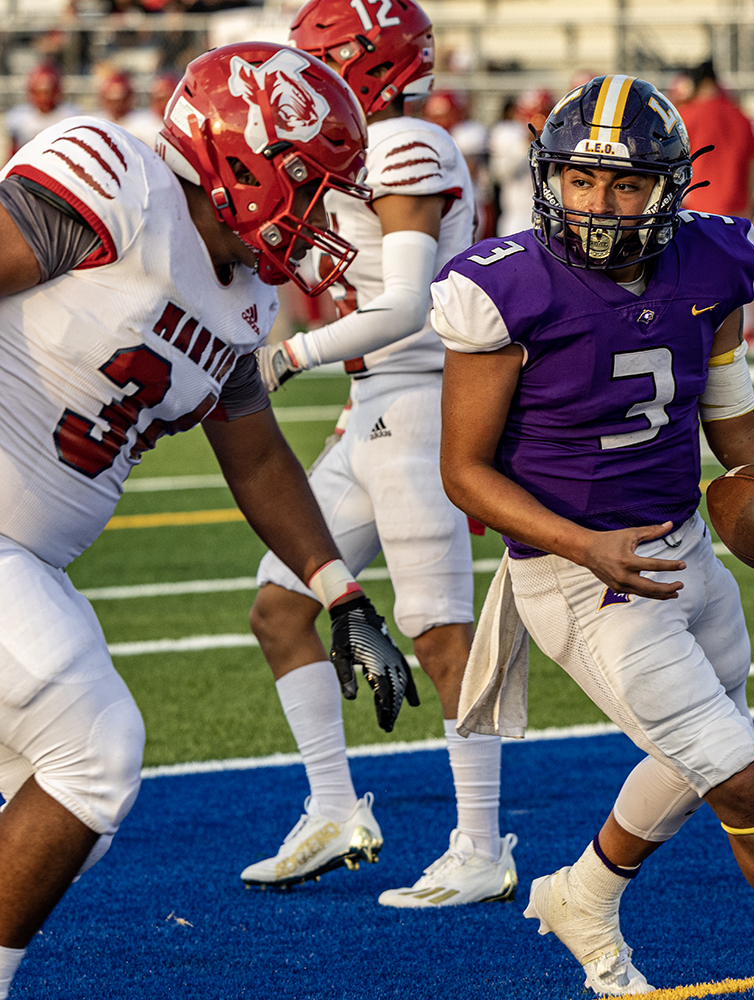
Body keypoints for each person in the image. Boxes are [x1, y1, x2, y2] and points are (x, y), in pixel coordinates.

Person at [434, 75, 754, 1000]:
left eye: (626, 185)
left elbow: (733, 422)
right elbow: (465, 472)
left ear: (671, 187)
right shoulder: (502, 288)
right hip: (575, 574)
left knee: (698, 748)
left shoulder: (713, 263)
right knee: (739, 781)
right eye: (581, 180)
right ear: (549, 177)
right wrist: (585, 547)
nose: (600, 203)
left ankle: (583, 894)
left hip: (687, 550)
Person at [0, 42, 410, 998]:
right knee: (94, 756)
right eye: (307, 184)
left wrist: (341, 593)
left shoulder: (242, 302)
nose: (321, 216)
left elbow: (257, 456)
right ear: (241, 156)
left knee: (58, 823)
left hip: (29, 557)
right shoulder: (114, 186)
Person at [245, 0, 520, 908]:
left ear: (364, 61)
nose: (296, 82)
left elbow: (407, 304)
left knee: (441, 632)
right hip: (374, 405)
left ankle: (481, 846)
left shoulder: (404, 140)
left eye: (314, 59)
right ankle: (334, 810)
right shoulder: (358, 144)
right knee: (282, 608)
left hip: (423, 400)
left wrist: (290, 355)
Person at [677, 60, 754, 354]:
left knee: (692, 276)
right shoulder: (741, 116)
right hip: (737, 212)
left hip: (695, 208)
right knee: (740, 275)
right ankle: (747, 334)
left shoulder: (687, 115)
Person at [426, 89, 495, 239]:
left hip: (471, 203)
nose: (440, 121)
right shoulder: (428, 134)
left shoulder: (469, 133)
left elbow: (469, 169)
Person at [489, 86, 552, 237]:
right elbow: (500, 174)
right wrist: (524, 145)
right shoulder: (507, 133)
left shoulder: (557, 136)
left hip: (551, 215)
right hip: (516, 215)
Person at [5, 63, 79, 153]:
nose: (43, 98)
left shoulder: (70, 115)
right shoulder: (19, 117)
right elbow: (13, 155)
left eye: (48, 92)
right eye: (38, 92)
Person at [95, 71, 162, 147]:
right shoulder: (96, 121)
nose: (116, 105)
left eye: (121, 100)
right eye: (112, 100)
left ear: (129, 98)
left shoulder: (147, 122)